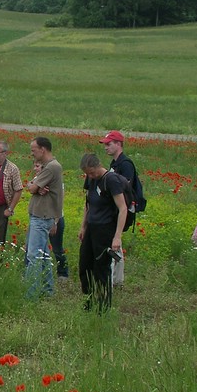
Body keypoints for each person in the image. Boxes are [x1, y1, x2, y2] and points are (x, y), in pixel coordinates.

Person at [77, 153, 128, 313]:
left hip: (105, 229)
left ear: (98, 166)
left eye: (92, 172)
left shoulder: (110, 180)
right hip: (91, 227)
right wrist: (83, 226)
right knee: (85, 266)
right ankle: (89, 300)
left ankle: (103, 306)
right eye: (87, 173)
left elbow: (123, 208)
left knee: (102, 269)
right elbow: (88, 204)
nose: (90, 176)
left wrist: (117, 236)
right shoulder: (91, 179)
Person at [25, 137, 63, 298]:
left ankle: (30, 293)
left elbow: (32, 187)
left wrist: (34, 186)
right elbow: (33, 186)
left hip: (42, 216)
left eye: (34, 150)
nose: (32, 153)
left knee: (34, 255)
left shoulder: (50, 168)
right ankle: (48, 290)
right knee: (44, 255)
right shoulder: (49, 167)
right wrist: (34, 185)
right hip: (42, 215)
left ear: (43, 149)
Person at [100, 130, 138, 286]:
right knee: (115, 242)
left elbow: (125, 188)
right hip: (114, 208)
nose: (106, 147)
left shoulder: (125, 164)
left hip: (122, 209)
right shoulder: (115, 163)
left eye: (109, 144)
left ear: (118, 144)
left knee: (115, 240)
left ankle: (116, 279)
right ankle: (117, 279)